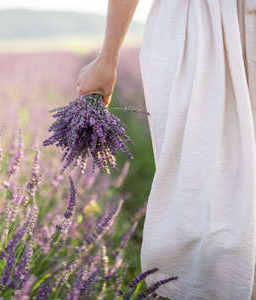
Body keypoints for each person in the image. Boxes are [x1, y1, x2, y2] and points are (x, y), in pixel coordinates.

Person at [76, 0, 256, 299]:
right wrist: (106, 59)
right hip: (199, 30)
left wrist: (107, 58)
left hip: (197, 29)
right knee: (205, 206)